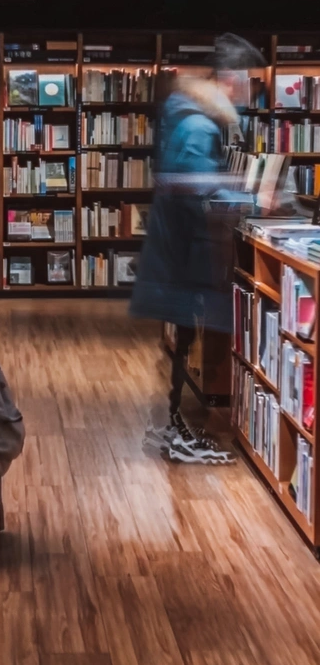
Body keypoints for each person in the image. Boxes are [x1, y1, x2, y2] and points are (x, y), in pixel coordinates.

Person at [130, 33, 267, 464]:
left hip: (180, 249)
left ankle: (174, 429)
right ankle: (175, 433)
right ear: (232, 80)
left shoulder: (189, 112)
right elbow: (191, 183)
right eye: (252, 82)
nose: (254, 92)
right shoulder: (199, 124)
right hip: (184, 251)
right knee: (189, 334)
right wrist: (251, 198)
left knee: (188, 336)